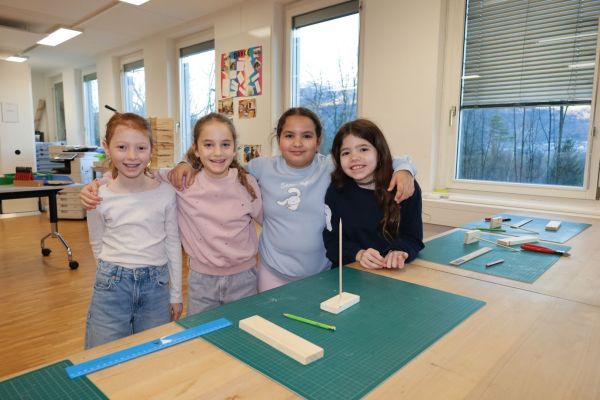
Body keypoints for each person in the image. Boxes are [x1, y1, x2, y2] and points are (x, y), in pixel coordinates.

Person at [167, 107, 417, 291]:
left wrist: (405, 169)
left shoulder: (331, 166)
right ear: (278, 139)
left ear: (319, 141)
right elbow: (221, 164)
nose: (297, 143)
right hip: (272, 273)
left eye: (306, 136)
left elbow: (376, 160)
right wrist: (185, 163)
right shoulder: (261, 168)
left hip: (321, 273)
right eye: (289, 136)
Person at [83, 113, 262, 316]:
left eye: (225, 144)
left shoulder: (247, 184)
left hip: (244, 278)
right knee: (200, 332)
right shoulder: (183, 181)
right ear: (196, 149)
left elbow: (269, 221)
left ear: (235, 147)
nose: (218, 152)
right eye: (208, 145)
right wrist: (99, 182)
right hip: (201, 280)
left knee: (243, 329)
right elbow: (139, 173)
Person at [85, 112, 182, 349]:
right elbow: (96, 242)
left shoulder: (166, 193)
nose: (131, 156)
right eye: (121, 147)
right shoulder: (97, 196)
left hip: (156, 287)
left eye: (140, 148)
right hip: (111, 286)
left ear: (151, 149)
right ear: (106, 147)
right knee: (102, 353)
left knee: (152, 354)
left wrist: (176, 294)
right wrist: (108, 276)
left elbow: (172, 244)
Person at [323, 119, 424, 270]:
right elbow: (332, 241)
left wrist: (399, 251)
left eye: (363, 149)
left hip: (391, 274)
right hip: (348, 274)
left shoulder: (404, 186)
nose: (354, 157)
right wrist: (358, 254)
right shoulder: (336, 190)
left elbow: (413, 237)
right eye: (346, 153)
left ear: (379, 152)